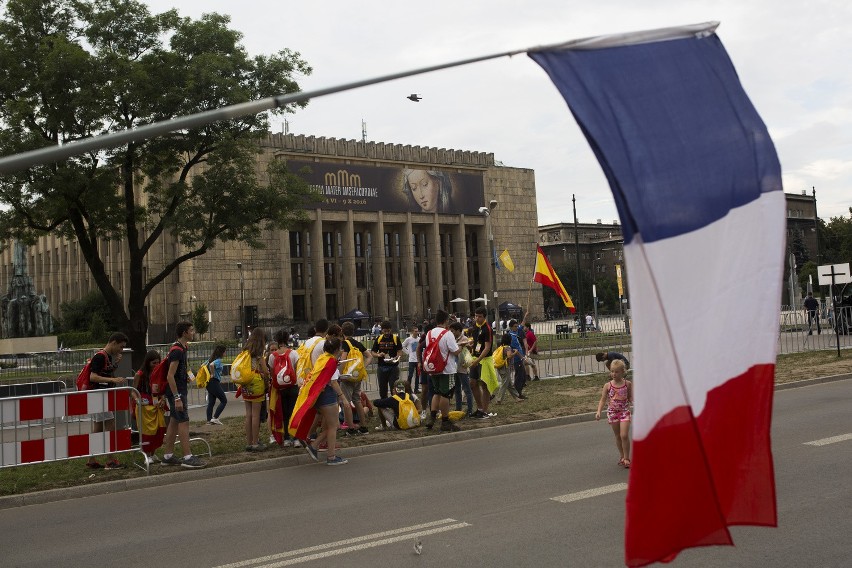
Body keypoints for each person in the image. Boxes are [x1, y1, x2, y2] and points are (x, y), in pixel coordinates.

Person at [290, 337, 350, 466]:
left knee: (333, 425)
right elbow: (333, 382)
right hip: (328, 397)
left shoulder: (324, 358)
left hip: (320, 397)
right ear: (336, 350)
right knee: (334, 426)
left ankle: (314, 445)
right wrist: (343, 398)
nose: (342, 350)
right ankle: (331, 456)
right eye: (340, 348)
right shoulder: (332, 362)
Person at [161, 321, 206, 469]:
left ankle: (167, 456)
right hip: (177, 392)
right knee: (184, 422)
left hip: (178, 390)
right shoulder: (177, 350)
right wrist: (177, 398)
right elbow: (169, 376)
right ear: (184, 332)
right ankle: (188, 457)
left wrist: (187, 376)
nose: (193, 332)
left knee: (174, 422)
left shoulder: (183, 347)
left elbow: (178, 372)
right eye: (191, 330)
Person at [85, 332, 129, 470]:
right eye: (121, 347)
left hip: (99, 395)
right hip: (99, 396)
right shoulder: (100, 356)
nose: (121, 350)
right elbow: (93, 377)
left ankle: (92, 460)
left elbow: (105, 372)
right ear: (114, 342)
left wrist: (115, 364)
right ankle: (110, 460)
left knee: (98, 428)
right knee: (110, 425)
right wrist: (113, 380)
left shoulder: (107, 357)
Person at [424, 309, 462, 432]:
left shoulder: (429, 333)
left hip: (433, 367)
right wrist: (463, 345)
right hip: (446, 368)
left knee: (437, 392)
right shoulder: (447, 334)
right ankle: (445, 421)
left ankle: (432, 417)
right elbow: (455, 351)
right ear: (446, 321)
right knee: (446, 394)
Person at [595, 360, 633, 468]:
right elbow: (603, 400)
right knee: (618, 436)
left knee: (624, 435)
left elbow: (630, 397)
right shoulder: (607, 385)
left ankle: (627, 458)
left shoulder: (627, 384)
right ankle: (622, 456)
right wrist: (598, 411)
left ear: (622, 372)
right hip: (612, 413)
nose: (614, 374)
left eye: (616, 372)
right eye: (612, 371)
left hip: (624, 412)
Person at [133, 349, 166, 465]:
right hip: (144, 407)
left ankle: (153, 453)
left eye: (158, 362)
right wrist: (137, 400)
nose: (156, 365)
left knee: (158, 431)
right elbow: (133, 391)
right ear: (148, 362)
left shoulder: (159, 373)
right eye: (154, 363)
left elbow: (161, 390)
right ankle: (146, 455)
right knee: (147, 432)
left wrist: (163, 398)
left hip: (156, 405)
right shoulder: (140, 374)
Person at [340, 321, 373, 435]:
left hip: (347, 377)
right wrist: (362, 367)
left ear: (342, 331)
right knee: (357, 400)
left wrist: (340, 374)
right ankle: (363, 426)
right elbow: (369, 356)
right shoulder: (357, 343)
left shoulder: (345, 343)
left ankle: (350, 427)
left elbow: (343, 360)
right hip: (357, 376)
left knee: (346, 402)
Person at [270, 329, 301, 446]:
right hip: (292, 386)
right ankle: (296, 438)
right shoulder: (293, 353)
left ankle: (287, 438)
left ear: (277, 340)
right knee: (294, 412)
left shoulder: (273, 356)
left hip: (280, 388)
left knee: (284, 413)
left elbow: (273, 372)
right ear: (288, 339)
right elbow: (297, 369)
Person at [241, 328, 270, 452]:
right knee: (256, 415)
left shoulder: (245, 351)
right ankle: (255, 443)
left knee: (248, 414)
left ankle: (249, 442)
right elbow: (265, 371)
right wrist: (267, 376)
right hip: (256, 385)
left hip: (245, 384)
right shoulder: (259, 354)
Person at [468, 306, 498, 418]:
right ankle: (480, 408)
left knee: (485, 385)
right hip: (475, 358)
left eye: (479, 316)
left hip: (484, 359)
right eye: (476, 316)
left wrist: (478, 360)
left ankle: (484, 411)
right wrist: (471, 345)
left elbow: (487, 347)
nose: (477, 318)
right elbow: (477, 342)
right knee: (473, 383)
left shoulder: (487, 328)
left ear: (484, 317)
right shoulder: (475, 326)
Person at [371, 320, 402, 399]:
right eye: (385, 331)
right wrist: (378, 355)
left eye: (388, 331)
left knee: (394, 388)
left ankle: (396, 404)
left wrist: (396, 358)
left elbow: (399, 351)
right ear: (382, 330)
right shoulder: (379, 339)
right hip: (382, 367)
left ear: (390, 329)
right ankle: (384, 407)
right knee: (382, 390)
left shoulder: (395, 338)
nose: (387, 333)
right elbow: (373, 352)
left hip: (393, 367)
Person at [451, 322, 475, 417]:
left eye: (453, 331)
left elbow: (459, 349)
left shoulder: (464, 339)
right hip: (455, 368)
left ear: (458, 330)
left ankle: (470, 410)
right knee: (457, 389)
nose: (451, 332)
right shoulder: (454, 339)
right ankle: (458, 408)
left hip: (462, 367)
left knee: (466, 389)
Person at [493, 332, 525, 403]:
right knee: (505, 383)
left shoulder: (501, 347)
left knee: (509, 384)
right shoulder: (508, 348)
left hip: (500, 366)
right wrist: (515, 352)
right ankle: (499, 399)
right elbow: (509, 356)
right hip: (505, 367)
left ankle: (516, 397)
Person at [205, 345, 228, 425]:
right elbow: (211, 365)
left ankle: (209, 420)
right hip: (214, 382)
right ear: (221, 352)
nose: (226, 353)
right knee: (224, 400)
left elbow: (206, 365)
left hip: (209, 383)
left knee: (211, 402)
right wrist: (212, 374)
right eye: (225, 351)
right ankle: (215, 418)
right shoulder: (218, 360)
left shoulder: (210, 359)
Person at [507, 319, 529, 399]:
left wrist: (526, 315)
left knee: (522, 376)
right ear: (511, 327)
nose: (517, 328)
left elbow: (521, 326)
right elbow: (515, 350)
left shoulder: (515, 333)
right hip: (517, 359)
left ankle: (518, 392)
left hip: (520, 359)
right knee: (520, 376)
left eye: (517, 326)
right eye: (515, 327)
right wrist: (522, 358)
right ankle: (518, 393)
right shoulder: (511, 337)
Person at [402, 326, 420, 393]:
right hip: (411, 360)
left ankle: (416, 389)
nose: (416, 332)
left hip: (418, 360)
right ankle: (408, 389)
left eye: (417, 331)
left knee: (418, 375)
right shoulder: (408, 339)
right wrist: (408, 352)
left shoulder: (419, 339)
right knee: (410, 375)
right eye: (415, 331)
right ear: (412, 332)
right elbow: (402, 346)